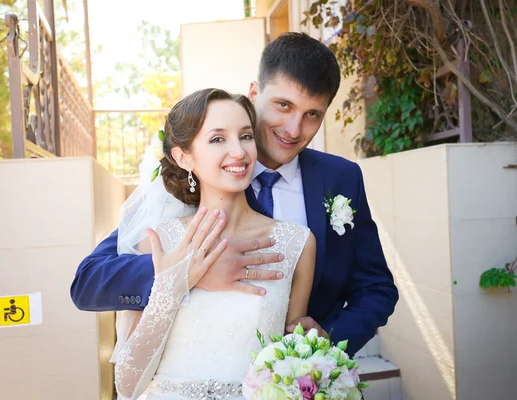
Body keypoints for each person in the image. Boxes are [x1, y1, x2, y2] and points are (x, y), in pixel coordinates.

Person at [71, 32, 398, 358]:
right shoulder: (190, 179)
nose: (294, 129)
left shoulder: (342, 178)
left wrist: (326, 346)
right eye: (283, 105)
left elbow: (376, 288)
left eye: (313, 114)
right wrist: (185, 272)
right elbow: (88, 283)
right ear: (254, 92)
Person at [112, 88, 316, 399]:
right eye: (218, 139)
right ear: (183, 156)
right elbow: (126, 385)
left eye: (246, 136)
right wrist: (172, 286)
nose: (239, 152)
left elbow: (289, 362)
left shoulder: (297, 244)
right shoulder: (160, 242)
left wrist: (314, 354)